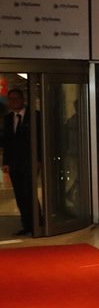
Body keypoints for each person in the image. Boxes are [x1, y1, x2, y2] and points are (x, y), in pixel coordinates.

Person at [1, 88, 33, 235]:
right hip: (14, 164)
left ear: (22, 99)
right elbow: (7, 142)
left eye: (16, 99)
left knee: (29, 193)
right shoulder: (8, 119)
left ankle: (37, 223)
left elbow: (40, 139)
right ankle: (26, 224)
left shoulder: (34, 116)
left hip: (30, 162)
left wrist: (39, 160)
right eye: (11, 99)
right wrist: (5, 162)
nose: (14, 102)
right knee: (20, 195)